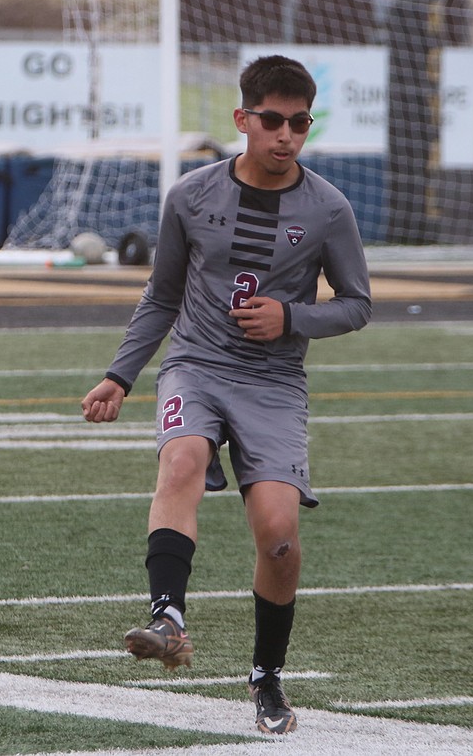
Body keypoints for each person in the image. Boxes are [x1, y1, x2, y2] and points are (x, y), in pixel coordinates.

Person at [81, 54, 372, 735]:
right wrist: (120, 374)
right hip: (197, 365)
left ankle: (266, 675)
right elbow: (162, 295)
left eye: (299, 123)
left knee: (278, 538)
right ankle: (168, 615)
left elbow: (358, 304)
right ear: (242, 119)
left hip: (272, 382)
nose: (286, 135)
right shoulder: (190, 195)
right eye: (272, 120)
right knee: (180, 460)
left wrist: (292, 318)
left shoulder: (329, 208)